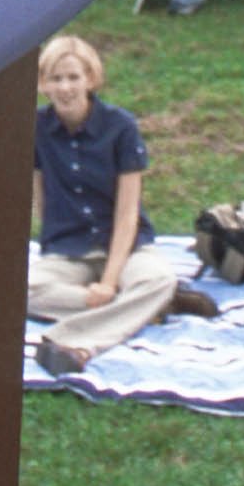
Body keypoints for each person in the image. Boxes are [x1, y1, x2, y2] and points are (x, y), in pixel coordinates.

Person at [29, 36, 218, 376]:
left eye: (74, 77)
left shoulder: (120, 127)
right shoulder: (36, 128)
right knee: (19, 290)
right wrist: (56, 245)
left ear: (91, 78)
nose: (66, 87)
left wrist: (110, 281)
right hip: (68, 251)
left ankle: (77, 344)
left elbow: (127, 214)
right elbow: (40, 196)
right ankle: (152, 306)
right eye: (56, 79)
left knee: (156, 278)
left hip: (125, 247)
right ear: (43, 84)